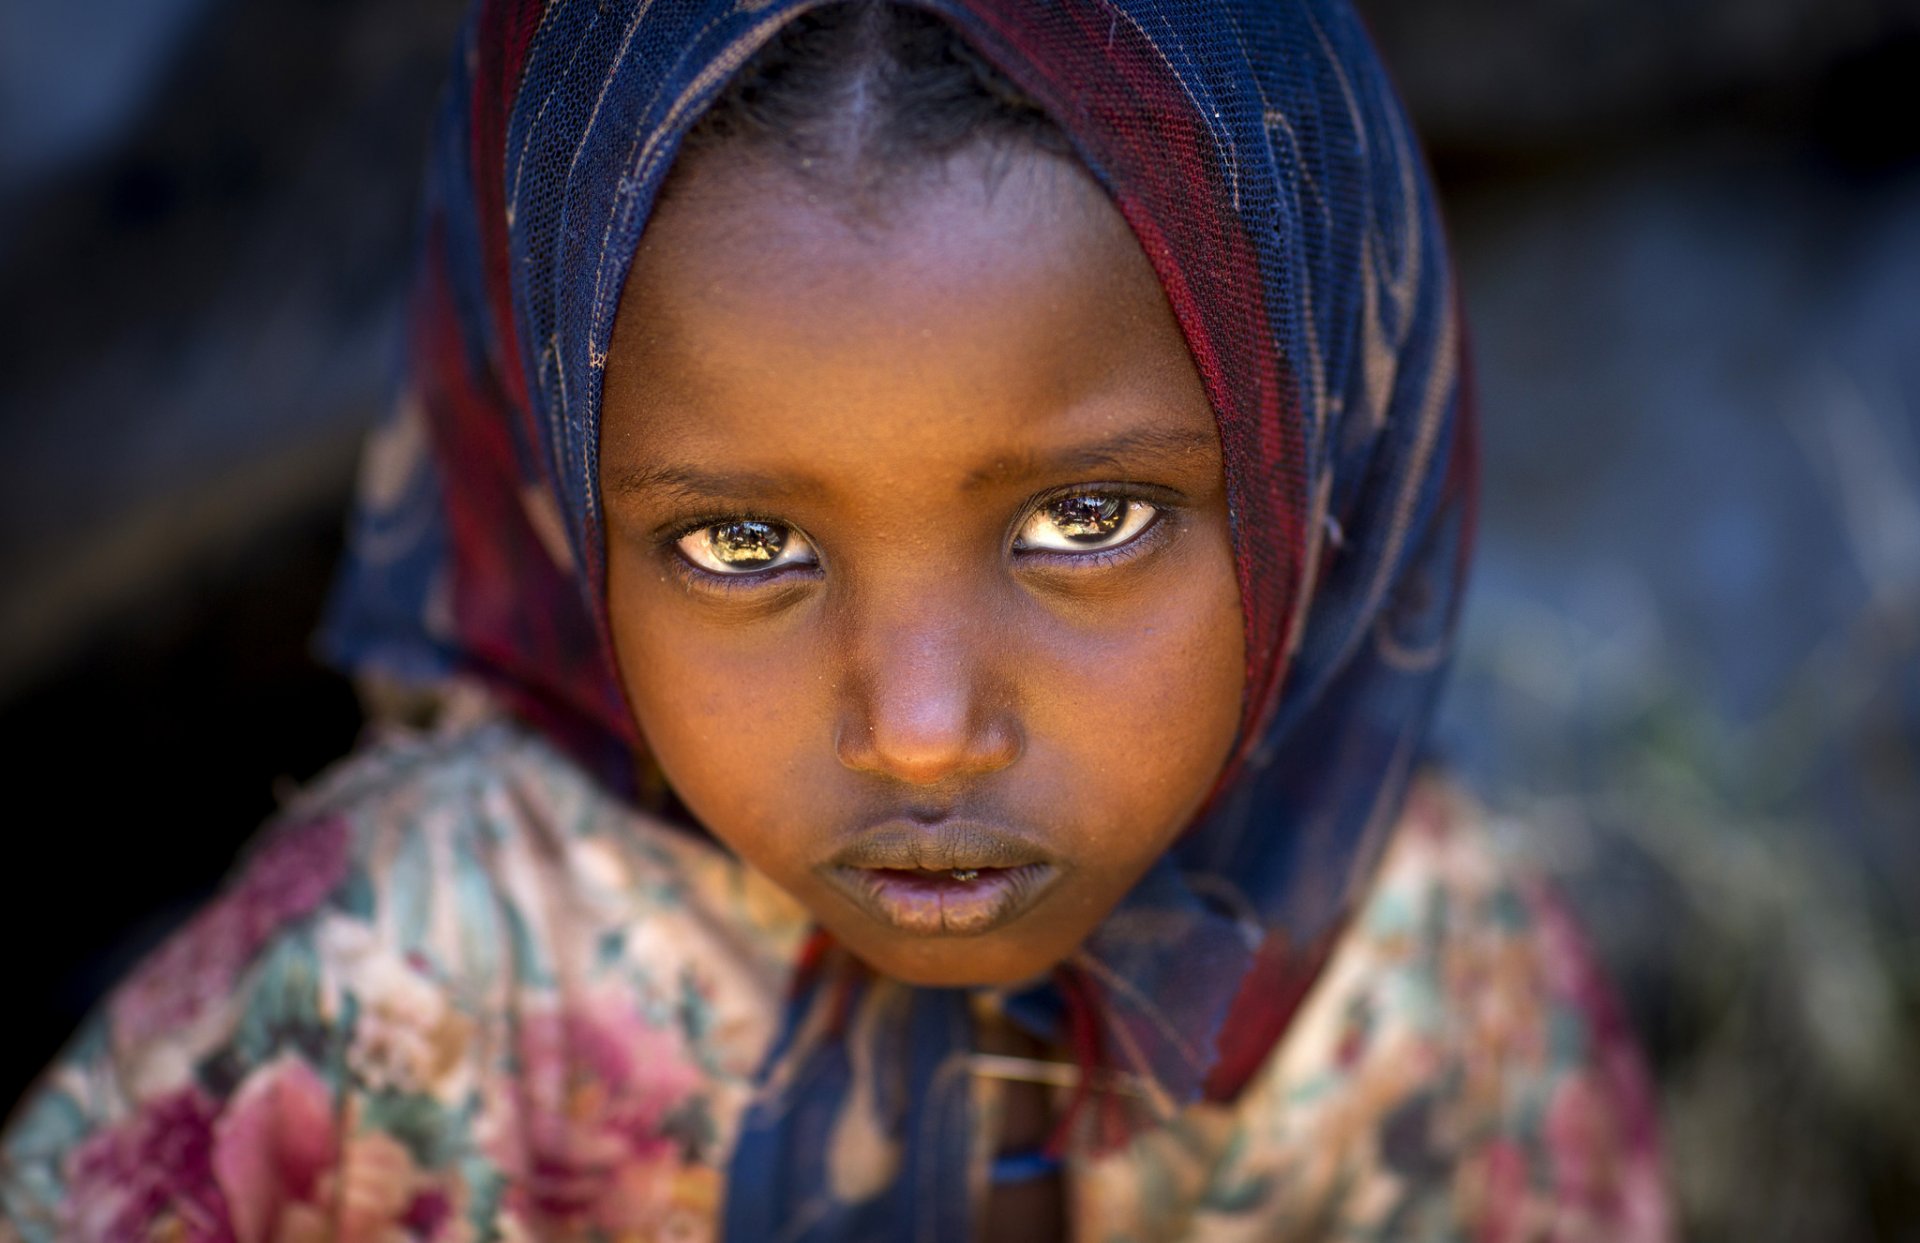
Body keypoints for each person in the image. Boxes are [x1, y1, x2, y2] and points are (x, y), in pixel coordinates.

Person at [0, 1, 1670, 1239]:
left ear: (1323, 469)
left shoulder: (1436, 1010)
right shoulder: (387, 1010)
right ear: (562, 506)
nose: (923, 724)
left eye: (1086, 520)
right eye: (738, 543)